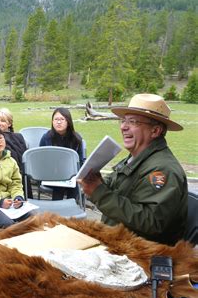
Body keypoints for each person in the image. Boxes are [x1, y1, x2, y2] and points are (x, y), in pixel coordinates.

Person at [79, 93, 187, 246]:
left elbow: (152, 222)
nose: (123, 127)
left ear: (155, 131)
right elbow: (119, 185)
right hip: (117, 239)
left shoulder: (163, 170)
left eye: (133, 122)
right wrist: (97, 182)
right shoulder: (138, 157)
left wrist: (98, 192)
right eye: (123, 121)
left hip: (140, 252)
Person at [40, 107, 84, 200]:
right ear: (52, 121)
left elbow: (80, 161)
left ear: (68, 121)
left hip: (71, 176)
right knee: (58, 187)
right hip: (51, 175)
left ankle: (72, 208)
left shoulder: (76, 139)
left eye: (62, 119)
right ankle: (57, 211)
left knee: (75, 185)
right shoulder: (46, 137)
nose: (58, 122)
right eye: (56, 119)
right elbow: (41, 160)